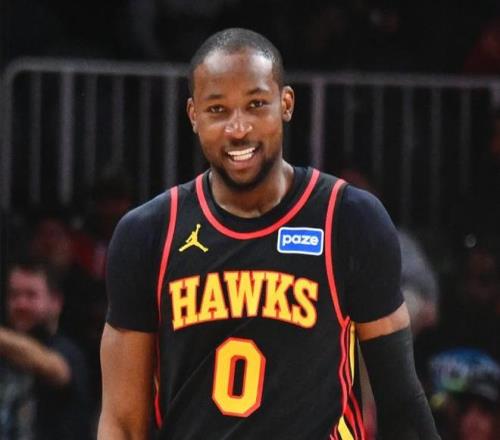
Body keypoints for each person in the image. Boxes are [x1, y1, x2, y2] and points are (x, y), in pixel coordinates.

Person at [99, 28, 440, 439]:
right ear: (193, 115)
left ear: (286, 103)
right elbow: (122, 421)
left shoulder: (349, 219)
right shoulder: (148, 233)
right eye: (217, 109)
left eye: (256, 104)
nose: (238, 128)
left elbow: (400, 400)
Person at [0, 258, 91, 439]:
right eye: (14, 295)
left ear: (55, 302)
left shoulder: (68, 352)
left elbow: (53, 368)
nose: (21, 304)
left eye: (31, 295)